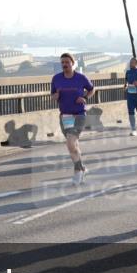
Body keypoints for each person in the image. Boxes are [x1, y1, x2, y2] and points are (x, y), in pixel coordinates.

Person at [51, 53, 95, 184]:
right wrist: (55, 96)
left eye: (67, 62)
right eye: (62, 62)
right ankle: (82, 168)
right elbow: (52, 95)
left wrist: (85, 98)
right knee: (73, 146)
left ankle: (77, 172)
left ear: (72, 63)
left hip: (79, 115)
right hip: (65, 116)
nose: (64, 64)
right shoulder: (56, 78)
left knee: (70, 142)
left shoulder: (81, 78)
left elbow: (92, 89)